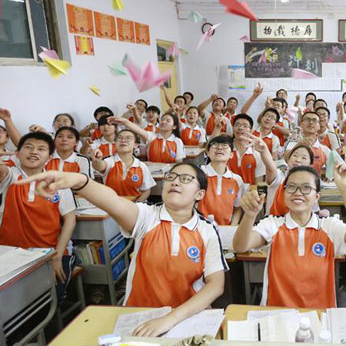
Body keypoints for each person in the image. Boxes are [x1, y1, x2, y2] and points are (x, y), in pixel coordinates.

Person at [19, 163, 227, 336]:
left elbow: (215, 285)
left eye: (185, 179)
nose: (174, 181)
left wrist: (170, 319)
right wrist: (80, 182)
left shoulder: (207, 231)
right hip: (141, 313)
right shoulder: (147, 216)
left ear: (199, 194)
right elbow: (112, 201)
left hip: (186, 317)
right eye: (171, 176)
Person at [233, 163, 346, 308]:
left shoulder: (329, 226)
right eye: (291, 187)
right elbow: (240, 246)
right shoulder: (273, 224)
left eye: (306, 188)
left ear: (316, 197)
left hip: (319, 314)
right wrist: (249, 216)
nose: (298, 192)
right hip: (277, 312)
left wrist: (345, 188)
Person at [0, 132, 77, 298]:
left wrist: (57, 255)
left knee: (49, 298)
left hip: (48, 252)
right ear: (18, 153)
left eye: (41, 149)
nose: (34, 152)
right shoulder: (10, 176)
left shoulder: (57, 182)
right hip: (10, 254)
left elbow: (70, 219)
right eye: (28, 147)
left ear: (49, 157)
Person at [92, 129, 155, 202]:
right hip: (112, 205)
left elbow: (146, 191)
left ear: (136, 144)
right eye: (120, 138)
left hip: (136, 207)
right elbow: (99, 166)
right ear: (115, 143)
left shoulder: (141, 166)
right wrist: (98, 160)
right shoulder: (110, 161)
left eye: (128, 138)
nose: (123, 140)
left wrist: (136, 204)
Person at [197, 135, 247, 225]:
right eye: (214, 145)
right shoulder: (198, 173)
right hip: (200, 227)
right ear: (207, 153)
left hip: (226, 227)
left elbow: (238, 206)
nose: (219, 148)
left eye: (225, 145)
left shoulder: (237, 179)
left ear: (231, 154)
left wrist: (232, 226)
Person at [110, 114, 186, 163]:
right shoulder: (151, 136)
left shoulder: (177, 141)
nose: (163, 122)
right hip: (152, 173)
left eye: (168, 121)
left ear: (174, 126)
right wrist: (125, 121)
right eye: (162, 120)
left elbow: (179, 162)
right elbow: (138, 130)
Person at [228, 113, 265, 184]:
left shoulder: (257, 154)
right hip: (227, 193)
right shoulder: (225, 149)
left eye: (245, 126)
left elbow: (259, 182)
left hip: (249, 193)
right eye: (237, 125)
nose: (240, 128)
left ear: (250, 130)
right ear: (233, 128)